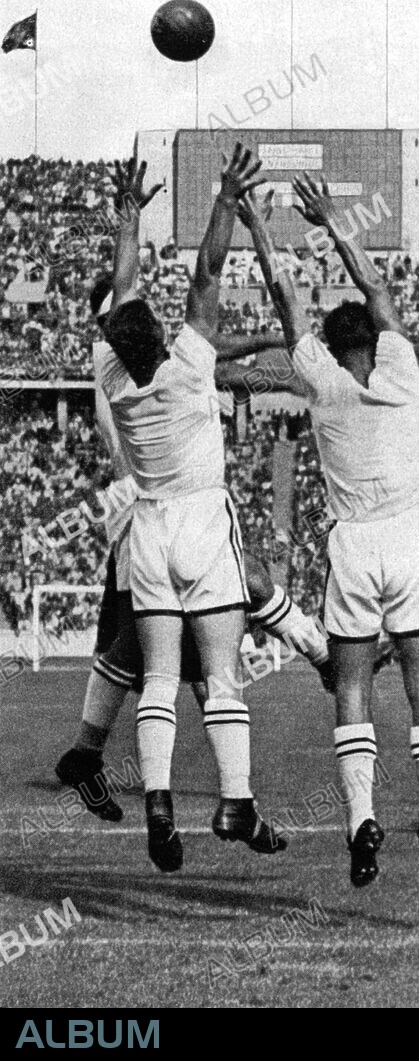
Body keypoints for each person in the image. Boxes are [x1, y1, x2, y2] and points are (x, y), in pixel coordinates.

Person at [237, 174, 419, 887]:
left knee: (350, 685)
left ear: (330, 347)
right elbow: (376, 286)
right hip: (408, 537)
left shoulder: (321, 384)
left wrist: (262, 228)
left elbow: (284, 300)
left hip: (353, 542)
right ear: (376, 339)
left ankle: (361, 819)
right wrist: (332, 220)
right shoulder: (402, 366)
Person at [97, 146, 286, 872]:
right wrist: (226, 201)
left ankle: (158, 799)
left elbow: (122, 287)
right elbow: (207, 274)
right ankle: (235, 796)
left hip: (146, 527)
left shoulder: (117, 377)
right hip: (203, 522)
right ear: (161, 335)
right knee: (221, 671)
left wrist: (128, 215)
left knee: (159, 679)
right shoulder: (189, 365)